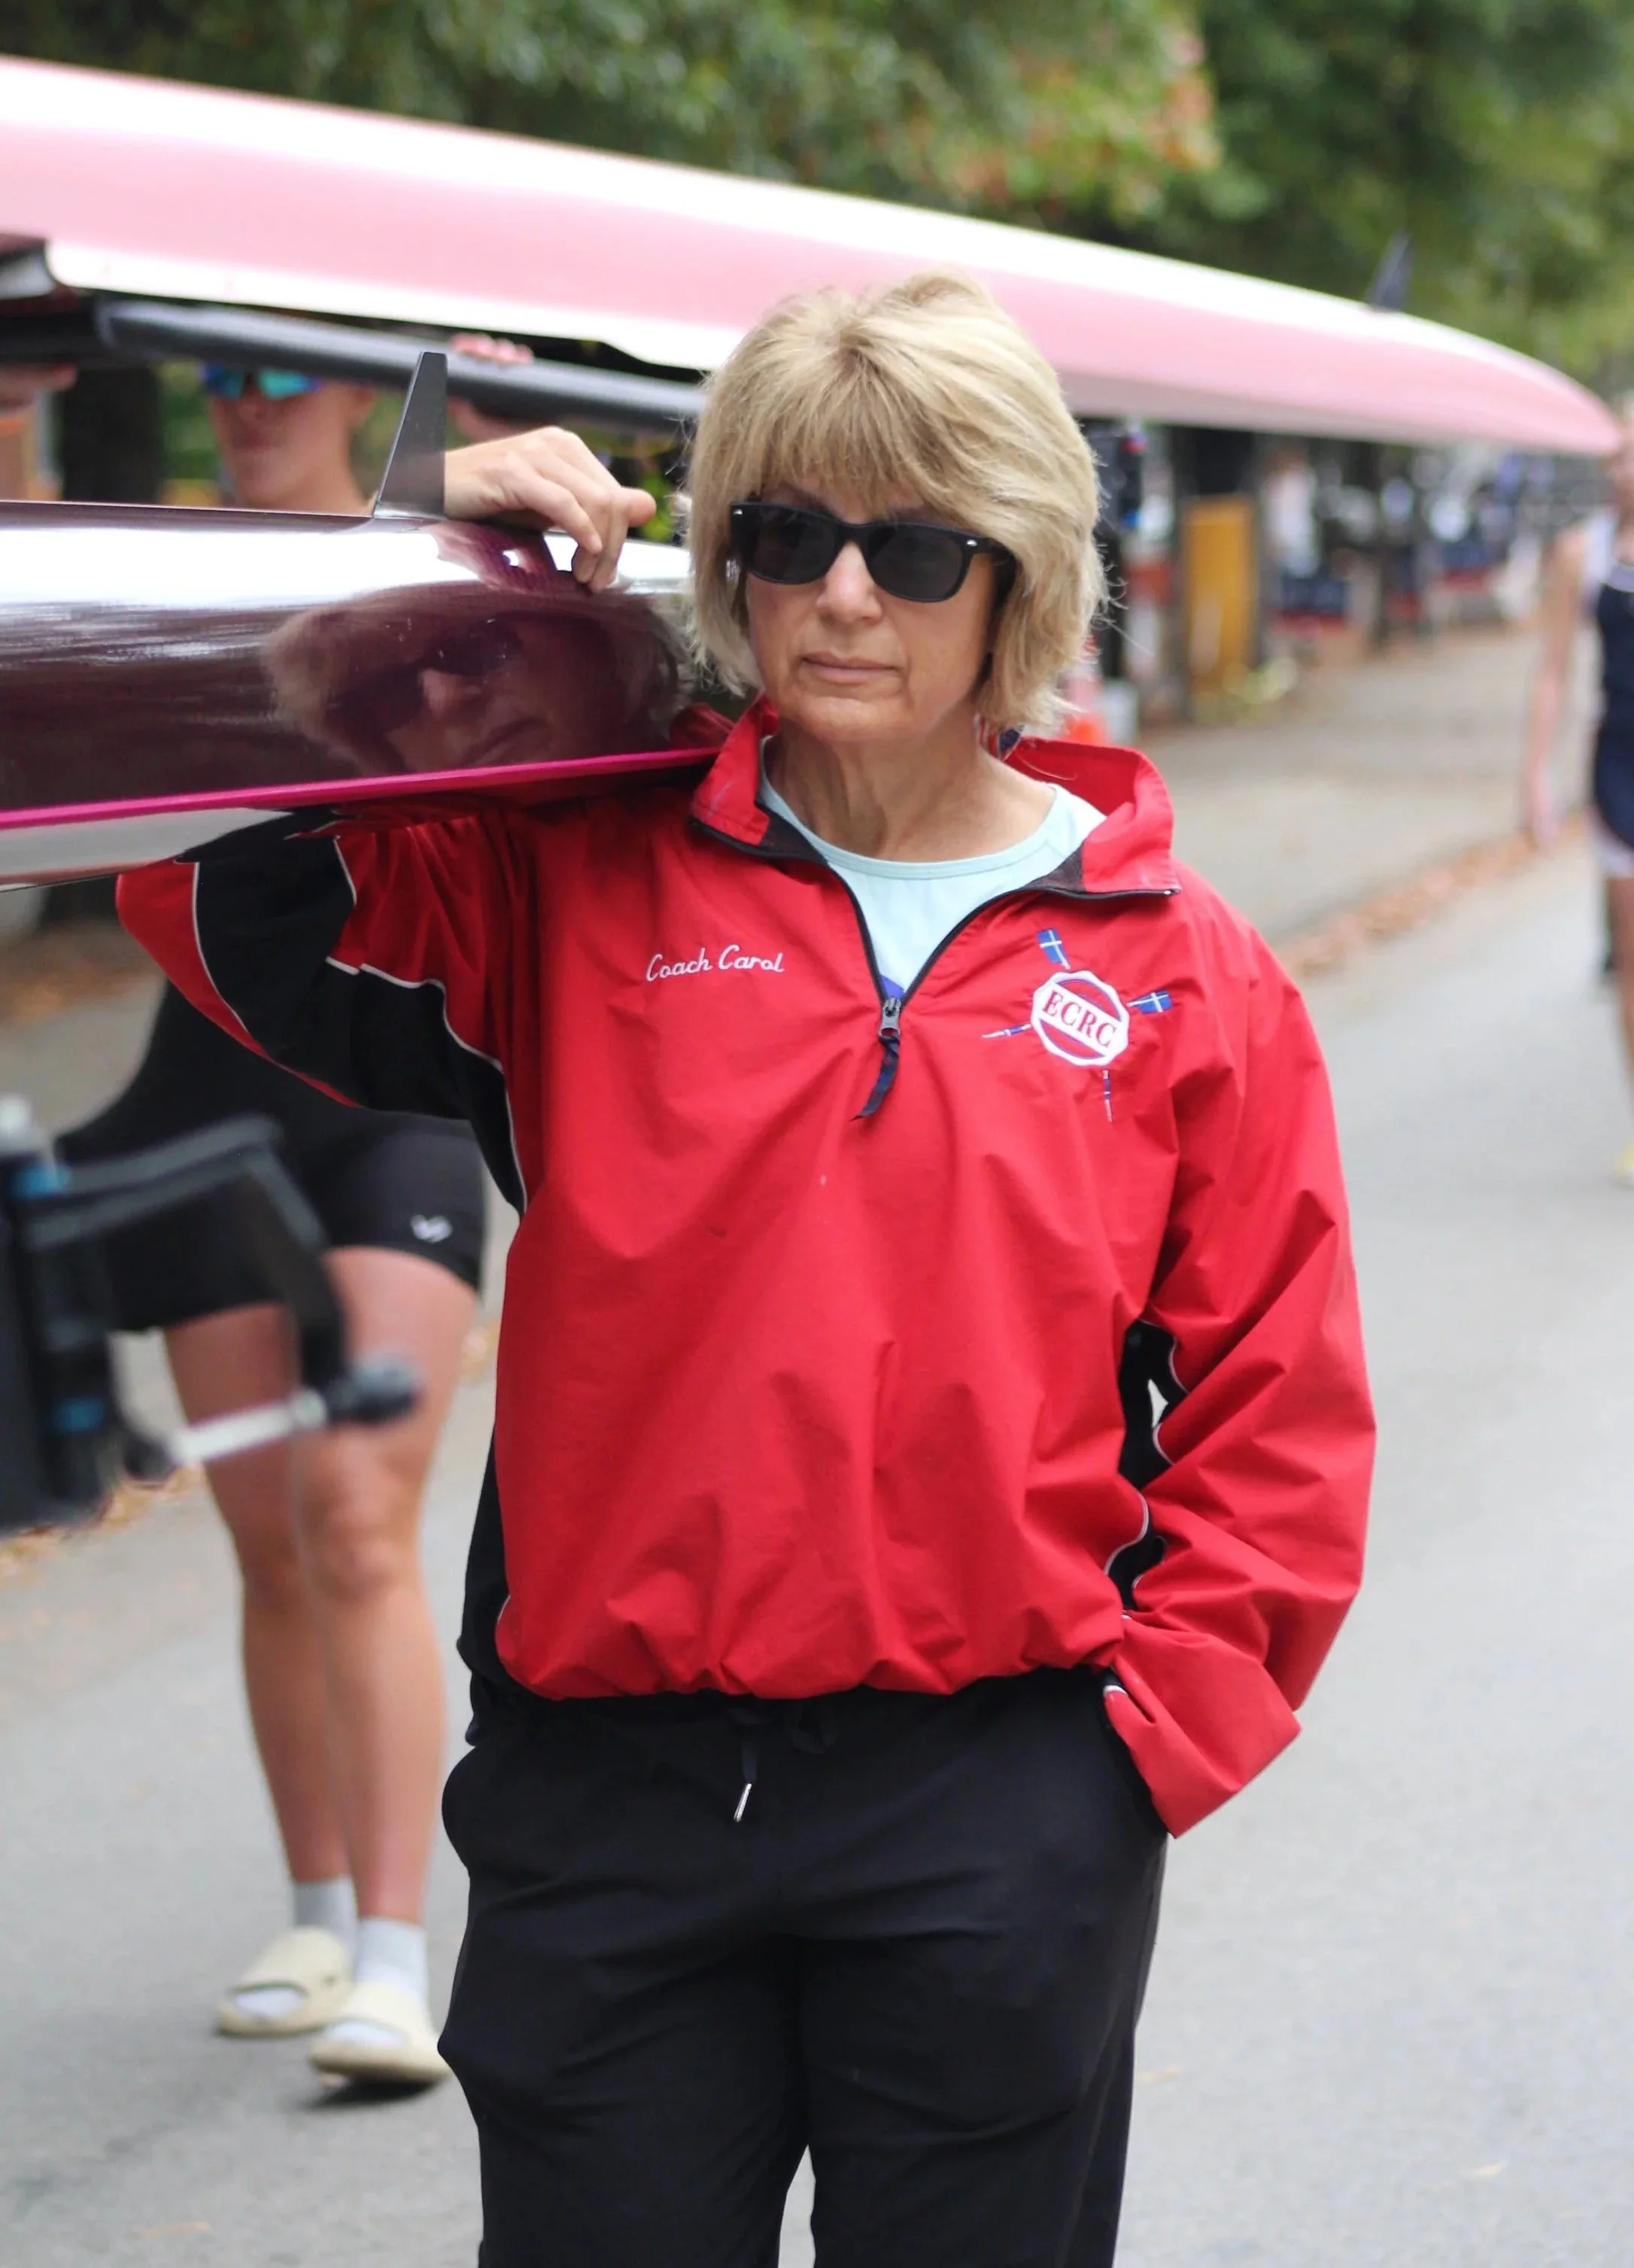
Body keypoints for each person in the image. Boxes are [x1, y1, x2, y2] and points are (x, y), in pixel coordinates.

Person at [122, 271, 1374, 2265]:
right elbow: (232, 893)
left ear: (1019, 574)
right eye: (786, 537)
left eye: (915, 548)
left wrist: (1124, 1770)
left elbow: (1278, 1422)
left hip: (996, 1815)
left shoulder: (1179, 970)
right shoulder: (570, 870)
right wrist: (400, 562)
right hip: (611, 1811)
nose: (844, 597)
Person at [62, 354, 494, 2089]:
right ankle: (315, 1913)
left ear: (356, 400)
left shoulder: (431, 564)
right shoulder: (152, 579)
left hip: (389, 1094)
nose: (249, 407)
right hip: (208, 1096)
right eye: (219, 378)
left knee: (357, 1509)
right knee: (268, 1537)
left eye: (284, 377)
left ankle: (392, 1955)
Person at [1523, 403, 1634, 1183]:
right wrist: (1537, 773)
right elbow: (1554, 670)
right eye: (1618, 453)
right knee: (1631, 958)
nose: (1625, 469)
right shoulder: (1582, 552)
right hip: (1621, 765)